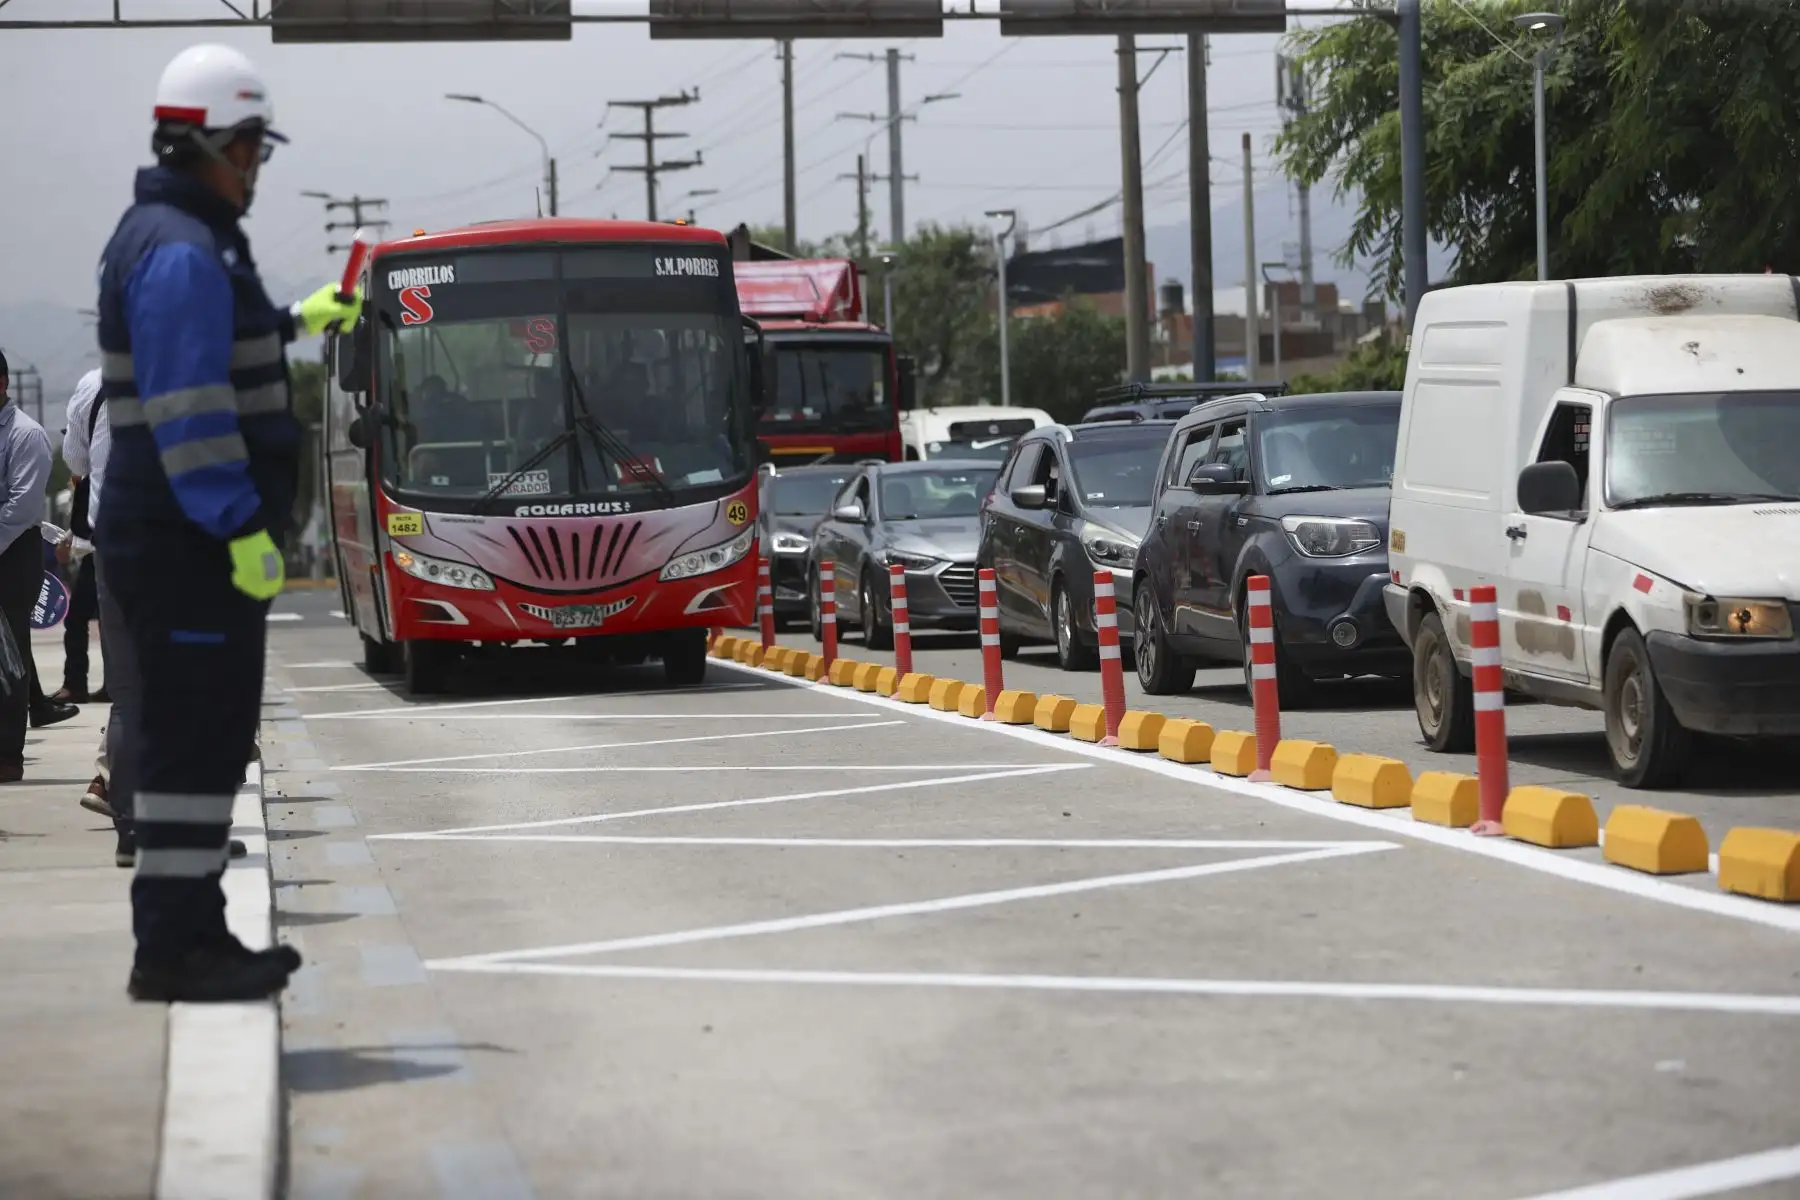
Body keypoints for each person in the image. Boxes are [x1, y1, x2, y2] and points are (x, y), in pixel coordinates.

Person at [96, 44, 357, 1001]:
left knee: (205, 740)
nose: (256, 167)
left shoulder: (186, 237)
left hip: (183, 539)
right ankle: (174, 947)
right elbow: (190, 409)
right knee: (190, 742)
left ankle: (193, 933)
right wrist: (241, 524)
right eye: (250, 147)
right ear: (205, 143)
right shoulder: (178, 247)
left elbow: (217, 340)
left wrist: (295, 319)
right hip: (186, 542)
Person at [0, 348, 78, 785]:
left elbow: (21, 507)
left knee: (10, 659)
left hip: (11, 557)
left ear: (2, 383)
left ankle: (9, 755)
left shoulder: (25, 436)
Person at [55, 369, 109, 706]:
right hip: (162, 525)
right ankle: (121, 684)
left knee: (80, 617)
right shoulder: (179, 372)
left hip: (107, 530)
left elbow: (74, 458)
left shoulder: (93, 385)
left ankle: (77, 683)